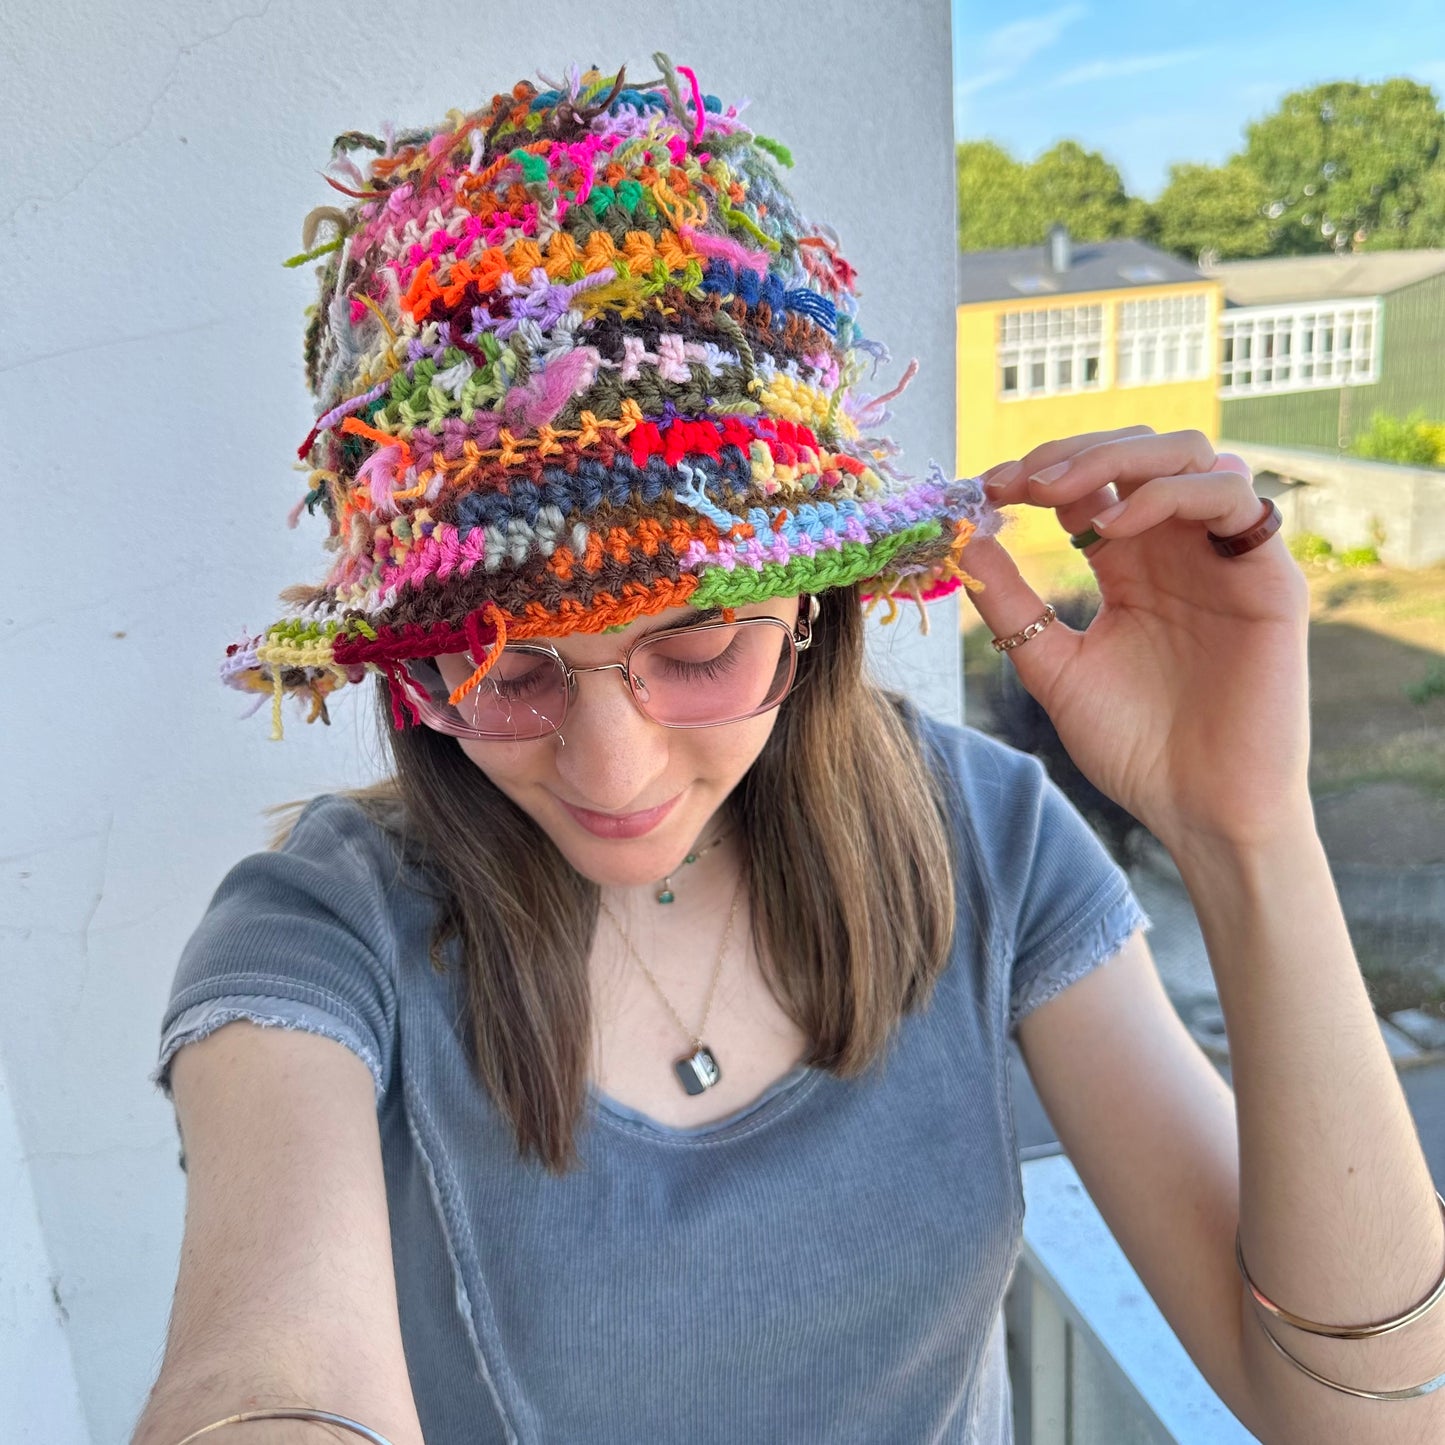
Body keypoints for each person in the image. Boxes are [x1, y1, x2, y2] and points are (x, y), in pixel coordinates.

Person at [133, 56, 1445, 1445]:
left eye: (700, 649)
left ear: (813, 611)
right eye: (506, 669)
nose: (613, 768)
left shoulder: (983, 843)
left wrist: (1244, 828)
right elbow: (261, 1376)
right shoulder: (323, 930)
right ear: (413, 672)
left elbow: (1366, 1418)